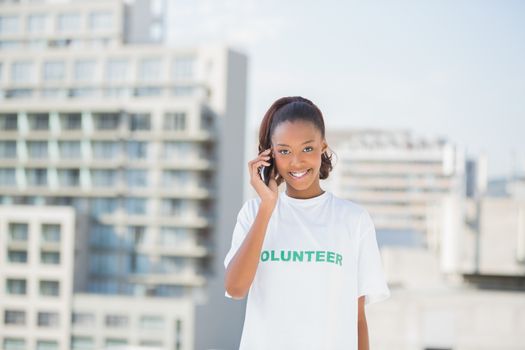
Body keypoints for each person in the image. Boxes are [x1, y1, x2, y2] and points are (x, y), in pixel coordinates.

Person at [224, 96, 390, 350]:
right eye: (284, 151)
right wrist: (268, 206)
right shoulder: (254, 213)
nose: (296, 161)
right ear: (269, 155)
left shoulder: (354, 220)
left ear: (323, 146)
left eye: (307, 148)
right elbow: (235, 288)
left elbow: (357, 319)